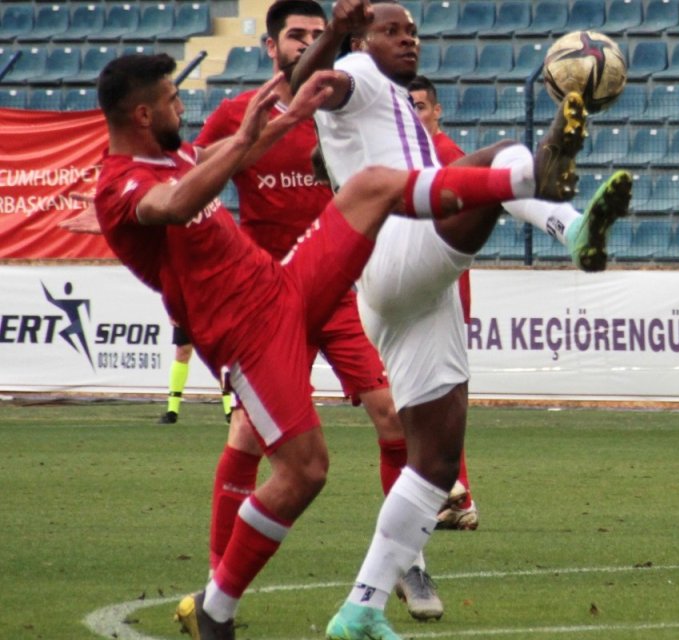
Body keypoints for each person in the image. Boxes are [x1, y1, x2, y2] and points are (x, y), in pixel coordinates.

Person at [94, 50, 573, 639]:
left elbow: (211, 161)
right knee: (306, 470)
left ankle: (524, 180)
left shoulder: (170, 156)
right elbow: (176, 202)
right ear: (142, 114)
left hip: (281, 284)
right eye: (172, 99)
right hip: (246, 335)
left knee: (369, 185)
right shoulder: (122, 186)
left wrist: (287, 119)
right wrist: (248, 136)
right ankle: (217, 605)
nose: (182, 106)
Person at [290, 1, 629, 635]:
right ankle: (570, 220)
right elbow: (305, 86)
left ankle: (359, 609)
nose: (408, 40)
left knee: (436, 463)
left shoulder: (403, 115)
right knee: (500, 157)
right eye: (393, 30)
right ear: (364, 37)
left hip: (407, 295)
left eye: (413, 31)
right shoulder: (355, 75)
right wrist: (335, 35)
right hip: (393, 247)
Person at [172, 1, 417, 626]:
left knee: (393, 418)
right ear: (271, 47)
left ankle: (405, 563)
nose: (310, 42)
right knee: (248, 438)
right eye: (298, 36)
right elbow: (194, 176)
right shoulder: (240, 114)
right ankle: (217, 581)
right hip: (265, 297)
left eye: (318, 33)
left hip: (333, 290)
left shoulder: (341, 103)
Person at [408, 74, 478, 532]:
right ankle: (455, 494)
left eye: (420, 106)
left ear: (437, 112)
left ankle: (454, 492)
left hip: (442, 289)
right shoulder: (407, 154)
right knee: (425, 397)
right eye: (407, 106)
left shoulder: (448, 156)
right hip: (416, 287)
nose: (413, 114)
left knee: (426, 396)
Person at [158, 322, 234, 424]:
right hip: (187, 311)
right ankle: (172, 411)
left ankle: (230, 411)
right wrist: (173, 312)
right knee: (182, 351)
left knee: (220, 354)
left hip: (211, 311)